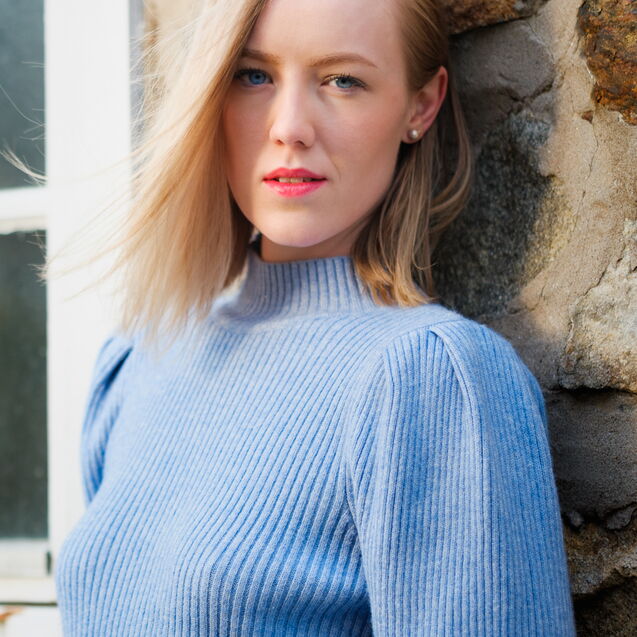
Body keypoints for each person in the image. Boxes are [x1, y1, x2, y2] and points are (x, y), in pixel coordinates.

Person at [53, 0, 577, 634]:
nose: (290, 127)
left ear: (420, 107)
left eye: (342, 80)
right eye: (253, 75)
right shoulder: (142, 353)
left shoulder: (434, 379)